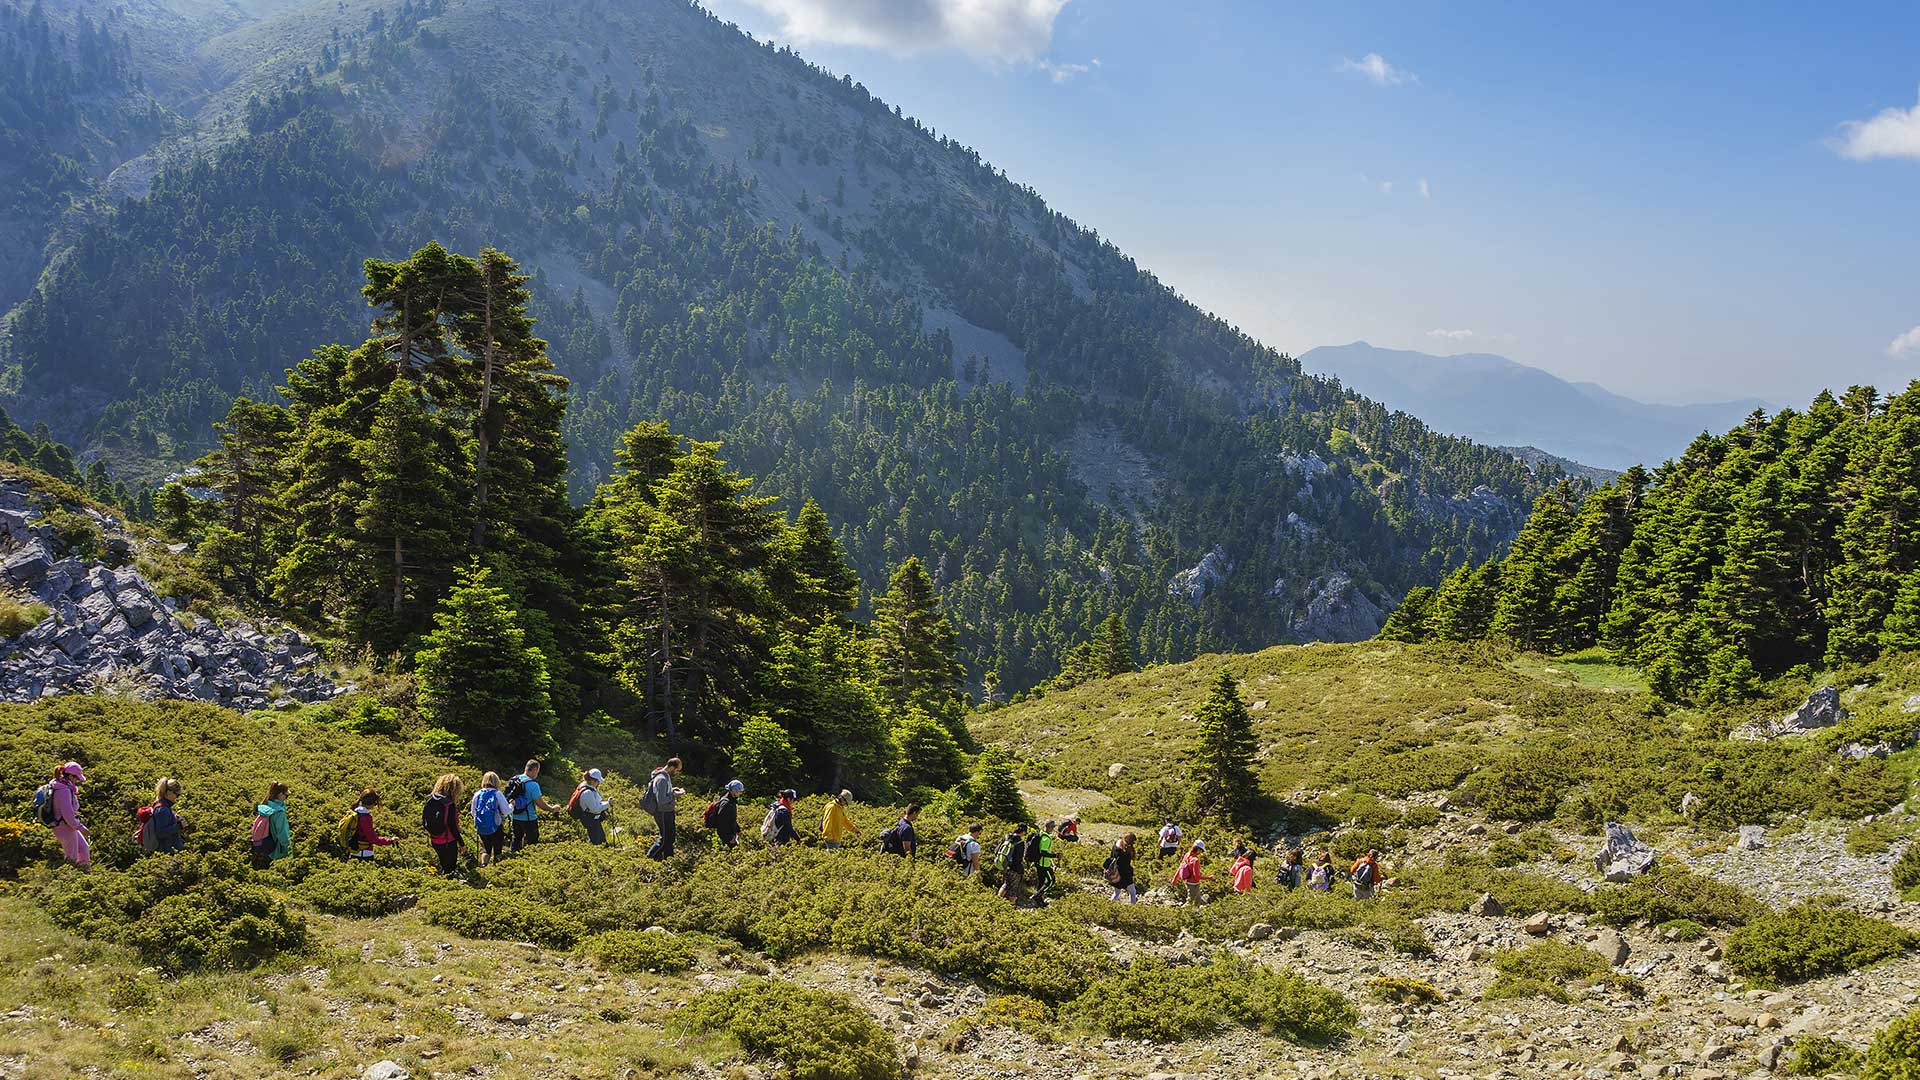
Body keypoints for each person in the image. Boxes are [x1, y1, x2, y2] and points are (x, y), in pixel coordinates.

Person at [506, 760, 559, 854]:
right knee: (533, 844)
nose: (537, 775)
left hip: (514, 816)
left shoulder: (514, 779)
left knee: (516, 840)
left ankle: (513, 860)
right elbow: (540, 804)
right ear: (534, 770)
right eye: (537, 772)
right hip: (529, 819)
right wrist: (552, 809)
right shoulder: (533, 785)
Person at [45, 763, 90, 868]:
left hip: (67, 825)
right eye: (76, 778)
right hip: (64, 826)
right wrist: (81, 828)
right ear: (70, 776)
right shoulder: (63, 791)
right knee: (71, 857)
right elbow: (68, 815)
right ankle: (69, 879)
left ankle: (85, 874)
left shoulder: (63, 786)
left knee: (83, 849)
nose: (77, 781)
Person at [423, 774, 465, 874]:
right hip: (448, 841)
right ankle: (448, 886)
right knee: (450, 869)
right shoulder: (449, 805)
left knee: (444, 865)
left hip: (434, 839)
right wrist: (462, 844)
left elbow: (423, 820)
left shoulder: (431, 799)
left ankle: (443, 883)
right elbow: (453, 827)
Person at [644, 757, 684, 860]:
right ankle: (648, 859)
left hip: (667, 812)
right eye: (677, 770)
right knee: (665, 840)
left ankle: (668, 860)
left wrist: (672, 790)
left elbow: (664, 793)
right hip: (662, 812)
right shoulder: (661, 779)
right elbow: (661, 800)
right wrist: (674, 794)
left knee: (670, 838)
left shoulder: (665, 776)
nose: (677, 773)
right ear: (671, 767)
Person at [470, 772, 511, 867]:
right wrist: (512, 805)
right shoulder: (497, 794)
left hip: (481, 827)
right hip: (496, 826)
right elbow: (506, 811)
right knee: (497, 848)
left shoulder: (477, 794)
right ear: (497, 782)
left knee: (485, 848)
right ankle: (496, 867)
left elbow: (473, 813)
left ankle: (484, 865)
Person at [343, 789, 398, 859]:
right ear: (371, 803)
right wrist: (390, 841)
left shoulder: (354, 812)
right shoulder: (365, 818)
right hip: (364, 854)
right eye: (375, 803)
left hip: (353, 851)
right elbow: (373, 839)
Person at [138, 777, 185, 854]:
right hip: (167, 850)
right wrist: (178, 826)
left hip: (168, 848)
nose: (177, 798)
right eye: (177, 795)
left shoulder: (162, 805)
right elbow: (161, 833)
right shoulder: (163, 810)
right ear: (169, 792)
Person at [251, 782, 292, 868]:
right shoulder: (279, 813)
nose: (286, 798)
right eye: (286, 795)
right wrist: (289, 847)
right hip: (276, 847)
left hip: (267, 842)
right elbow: (282, 834)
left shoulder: (266, 804)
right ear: (280, 794)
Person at [572, 769, 612, 846]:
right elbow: (595, 809)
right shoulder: (587, 793)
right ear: (593, 781)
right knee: (597, 842)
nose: (599, 783)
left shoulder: (586, 786)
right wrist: (608, 804)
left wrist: (607, 803)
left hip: (593, 819)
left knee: (601, 839)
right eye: (598, 781)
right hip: (590, 819)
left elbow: (596, 803)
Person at [1172, 839, 1213, 906]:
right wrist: (1208, 877)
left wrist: (1175, 879)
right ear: (1198, 850)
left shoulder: (1187, 855)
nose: (1201, 852)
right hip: (1193, 884)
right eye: (1201, 851)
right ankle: (1181, 913)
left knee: (1197, 900)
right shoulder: (1195, 860)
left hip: (1187, 882)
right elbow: (1197, 876)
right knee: (1190, 903)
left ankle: (1195, 914)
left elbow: (1180, 867)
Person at [996, 823, 1028, 906]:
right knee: (1013, 888)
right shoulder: (1020, 842)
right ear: (1023, 832)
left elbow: (996, 851)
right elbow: (1018, 860)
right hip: (1014, 869)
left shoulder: (1006, 837)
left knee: (1006, 884)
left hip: (1004, 866)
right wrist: (1021, 871)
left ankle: (996, 902)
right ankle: (1011, 908)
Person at [707, 780, 744, 848]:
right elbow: (722, 823)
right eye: (739, 791)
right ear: (733, 791)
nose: (741, 793)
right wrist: (729, 838)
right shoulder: (726, 804)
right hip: (726, 837)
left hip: (731, 835)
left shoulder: (731, 801)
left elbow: (732, 819)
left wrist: (738, 831)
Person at [1105, 831, 1138, 903]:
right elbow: (1126, 864)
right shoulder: (1128, 851)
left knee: (1117, 892)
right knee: (1132, 892)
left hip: (1115, 873)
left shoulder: (1116, 846)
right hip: (1125, 875)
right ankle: (1134, 909)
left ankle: (1110, 905)